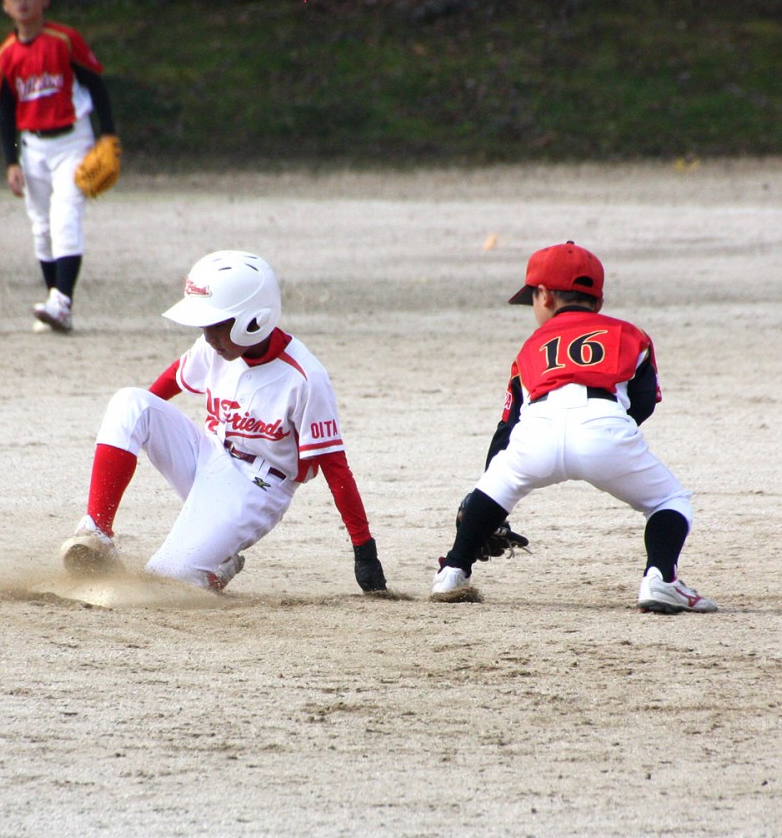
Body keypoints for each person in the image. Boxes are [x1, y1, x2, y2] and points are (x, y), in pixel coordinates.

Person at [58, 250, 389, 595]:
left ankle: (215, 569)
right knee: (131, 401)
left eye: (217, 325)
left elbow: (336, 468)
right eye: (205, 326)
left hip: (258, 487)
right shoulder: (213, 348)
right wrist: (135, 431)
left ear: (254, 320)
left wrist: (364, 551)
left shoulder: (305, 379)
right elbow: (161, 391)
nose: (208, 337)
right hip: (208, 454)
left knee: (165, 578)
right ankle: (97, 532)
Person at [431, 241, 717, 613]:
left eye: (532, 299)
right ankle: (660, 579)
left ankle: (453, 572)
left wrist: (486, 495)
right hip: (604, 423)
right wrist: (610, 438)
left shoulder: (531, 346)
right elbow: (644, 401)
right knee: (669, 500)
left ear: (545, 295)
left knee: (498, 486)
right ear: (598, 301)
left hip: (538, 429)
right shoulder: (630, 333)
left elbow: (508, 426)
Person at [0, 0, 117, 333]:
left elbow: (96, 85)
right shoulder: (6, 54)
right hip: (32, 148)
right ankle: (58, 305)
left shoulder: (64, 40)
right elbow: (5, 109)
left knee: (64, 217)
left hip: (73, 141)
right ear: (4, 5)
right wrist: (11, 161)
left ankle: (61, 301)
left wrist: (108, 134)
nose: (22, 0)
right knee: (41, 227)